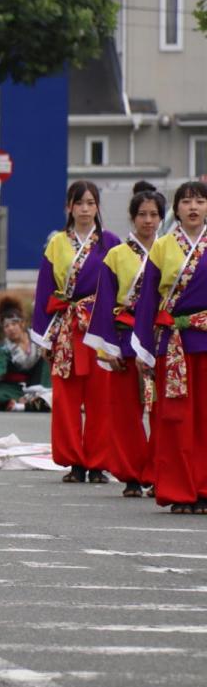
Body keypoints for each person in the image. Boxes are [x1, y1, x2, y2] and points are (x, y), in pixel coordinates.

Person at [31, 181, 120, 485]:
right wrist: (43, 337)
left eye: (90, 203)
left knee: (101, 398)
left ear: (97, 207)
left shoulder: (111, 243)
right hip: (65, 328)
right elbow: (44, 289)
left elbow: (121, 289)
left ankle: (97, 462)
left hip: (99, 328)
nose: (84, 209)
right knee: (67, 398)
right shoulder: (56, 242)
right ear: (68, 207)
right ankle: (74, 462)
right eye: (79, 203)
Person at [131, 180, 207, 513]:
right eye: (187, 201)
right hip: (174, 344)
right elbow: (148, 300)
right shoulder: (162, 247)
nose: (193, 207)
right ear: (175, 209)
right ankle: (179, 490)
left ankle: (203, 488)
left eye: (200, 201)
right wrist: (144, 349)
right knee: (176, 420)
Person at [84, 189, 165, 497]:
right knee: (125, 413)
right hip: (124, 338)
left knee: (161, 411)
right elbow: (104, 304)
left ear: (161, 217)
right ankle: (131, 474)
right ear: (132, 217)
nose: (148, 220)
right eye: (142, 214)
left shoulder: (170, 250)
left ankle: (158, 470)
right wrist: (107, 349)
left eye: (154, 214)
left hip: (160, 341)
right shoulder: (116, 255)